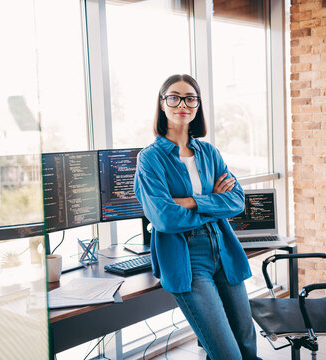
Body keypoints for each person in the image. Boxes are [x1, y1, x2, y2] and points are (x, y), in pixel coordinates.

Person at [134, 74, 260, 360]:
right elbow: (164, 218)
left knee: (248, 347)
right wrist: (213, 205)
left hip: (223, 250)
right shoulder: (150, 159)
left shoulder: (209, 152)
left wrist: (190, 202)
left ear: (198, 105)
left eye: (190, 98)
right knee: (228, 354)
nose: (183, 104)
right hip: (187, 259)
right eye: (174, 97)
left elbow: (237, 200)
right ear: (163, 103)